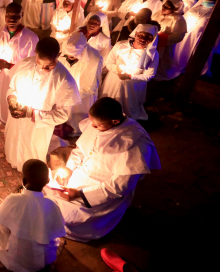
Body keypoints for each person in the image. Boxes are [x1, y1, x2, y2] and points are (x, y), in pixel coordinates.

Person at [51, 97, 160, 242]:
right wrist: (69, 168)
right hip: (83, 173)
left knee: (66, 216)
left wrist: (80, 194)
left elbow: (120, 187)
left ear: (115, 121)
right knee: (50, 190)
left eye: (97, 126)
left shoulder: (135, 143)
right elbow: (80, 151)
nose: (92, 127)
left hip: (102, 189)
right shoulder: (97, 123)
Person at [3, 37, 81, 171]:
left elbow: (62, 115)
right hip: (16, 120)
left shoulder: (65, 79)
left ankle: (30, 170)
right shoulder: (25, 63)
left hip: (38, 126)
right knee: (13, 143)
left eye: (49, 66)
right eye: (40, 63)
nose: (44, 69)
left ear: (59, 55)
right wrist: (12, 100)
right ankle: (12, 159)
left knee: (31, 152)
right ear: (35, 53)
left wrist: (31, 113)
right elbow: (12, 88)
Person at [0, 159, 65, 272]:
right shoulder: (52, 205)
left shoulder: (13, 200)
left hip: (19, 259)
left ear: (24, 181)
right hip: (46, 258)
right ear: (48, 181)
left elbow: (4, 229)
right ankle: (41, 269)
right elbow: (56, 233)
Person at [0, 3, 39, 124]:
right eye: (9, 15)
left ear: (22, 15)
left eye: (16, 16)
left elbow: (32, 65)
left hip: (15, 79)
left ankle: (8, 120)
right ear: (5, 16)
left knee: (8, 102)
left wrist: (9, 66)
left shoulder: (31, 38)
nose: (12, 19)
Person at [100, 24, 159, 121]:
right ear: (136, 34)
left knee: (128, 107)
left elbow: (149, 75)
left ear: (152, 39)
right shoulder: (120, 45)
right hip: (113, 81)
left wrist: (131, 76)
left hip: (133, 86)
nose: (143, 39)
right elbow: (109, 62)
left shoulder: (152, 54)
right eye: (141, 35)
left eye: (147, 37)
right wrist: (118, 70)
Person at [167, 0, 220, 79]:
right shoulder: (194, 9)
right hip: (186, 36)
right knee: (182, 52)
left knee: (196, 56)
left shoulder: (216, 14)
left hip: (202, 38)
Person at [58, 32, 103, 134]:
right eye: (68, 54)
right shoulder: (63, 52)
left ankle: (77, 130)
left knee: (78, 115)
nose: (69, 56)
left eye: (73, 55)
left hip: (82, 95)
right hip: (63, 92)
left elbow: (91, 85)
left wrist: (73, 95)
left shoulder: (94, 58)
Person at [155, 0, 188, 80]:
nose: (163, 8)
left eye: (167, 7)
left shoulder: (178, 19)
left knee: (164, 60)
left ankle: (161, 72)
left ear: (175, 8)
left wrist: (163, 38)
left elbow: (179, 35)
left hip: (165, 45)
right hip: (152, 41)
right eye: (163, 6)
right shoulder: (157, 14)